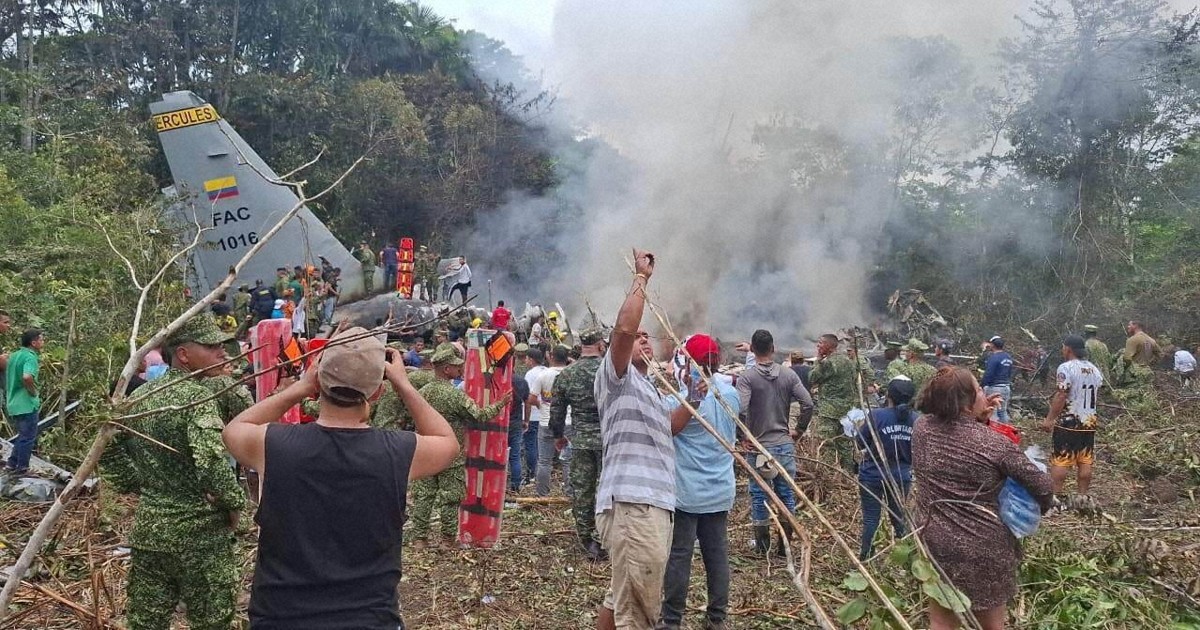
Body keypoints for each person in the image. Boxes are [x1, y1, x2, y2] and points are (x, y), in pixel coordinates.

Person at [223, 328, 458, 628]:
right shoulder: (398, 452)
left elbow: (233, 430)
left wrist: (299, 388)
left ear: (319, 381)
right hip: (369, 619)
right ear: (377, 391)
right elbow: (447, 441)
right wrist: (403, 384)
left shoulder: (274, 445)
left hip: (281, 617)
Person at [99, 314, 246, 630]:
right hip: (200, 538)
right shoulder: (196, 398)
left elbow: (106, 449)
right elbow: (212, 464)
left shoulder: (140, 396)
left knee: (146, 623)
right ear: (183, 354)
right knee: (212, 622)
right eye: (211, 346)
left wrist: (141, 485)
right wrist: (234, 505)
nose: (222, 352)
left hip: (150, 533)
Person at [911, 367, 1054, 630]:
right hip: (984, 547)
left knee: (941, 621)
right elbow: (1043, 486)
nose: (984, 394)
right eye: (978, 390)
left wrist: (979, 420)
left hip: (934, 539)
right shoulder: (994, 444)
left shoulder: (921, 428)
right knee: (990, 625)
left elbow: (958, 440)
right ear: (966, 403)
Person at [594, 249, 674, 630]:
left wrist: (696, 398)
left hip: (652, 503)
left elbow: (670, 428)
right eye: (638, 336)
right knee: (638, 609)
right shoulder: (616, 377)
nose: (643, 338)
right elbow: (624, 331)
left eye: (648, 336)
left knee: (621, 595)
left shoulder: (650, 388)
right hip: (633, 502)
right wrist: (641, 279)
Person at [661, 334, 736, 630]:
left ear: (688, 361)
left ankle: (671, 620)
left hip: (687, 493)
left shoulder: (681, 399)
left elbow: (669, 427)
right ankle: (717, 618)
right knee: (717, 555)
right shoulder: (730, 394)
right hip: (720, 489)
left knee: (679, 556)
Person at [409, 343, 510, 547]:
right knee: (450, 497)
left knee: (424, 496)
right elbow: (479, 415)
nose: (460, 369)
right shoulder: (454, 395)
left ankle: (420, 539)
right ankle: (447, 540)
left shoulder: (422, 393)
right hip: (450, 453)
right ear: (446, 369)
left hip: (425, 450)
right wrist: (501, 403)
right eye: (456, 366)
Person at [736, 328, 813, 554]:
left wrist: (742, 436)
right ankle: (785, 547)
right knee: (786, 493)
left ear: (752, 348)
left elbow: (740, 408)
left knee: (760, 494)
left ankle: (762, 548)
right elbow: (808, 404)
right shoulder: (788, 375)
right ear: (773, 348)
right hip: (784, 444)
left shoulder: (747, 377)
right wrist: (798, 430)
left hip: (759, 447)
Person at [549, 329, 606, 560]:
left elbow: (557, 410)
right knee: (606, 490)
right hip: (608, 441)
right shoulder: (609, 371)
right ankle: (603, 537)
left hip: (580, 440)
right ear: (601, 345)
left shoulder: (567, 374)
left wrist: (558, 435)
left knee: (582, 490)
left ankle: (586, 538)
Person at [855, 377, 917, 560]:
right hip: (901, 477)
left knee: (871, 518)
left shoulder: (876, 416)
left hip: (872, 475)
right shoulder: (917, 420)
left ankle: (866, 558)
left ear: (888, 395)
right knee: (899, 517)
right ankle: (909, 559)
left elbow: (860, 442)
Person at [1040, 335, 1104, 501]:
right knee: (1085, 459)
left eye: (1063, 347)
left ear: (1068, 349)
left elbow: (1062, 395)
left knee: (1061, 459)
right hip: (1089, 421)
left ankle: (1055, 498)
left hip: (1069, 421)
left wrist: (1050, 419)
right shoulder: (1094, 369)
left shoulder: (1066, 368)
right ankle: (1082, 497)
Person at [810, 333, 857, 469]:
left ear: (829, 346)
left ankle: (828, 474)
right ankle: (848, 474)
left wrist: (818, 360)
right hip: (846, 410)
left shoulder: (828, 363)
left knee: (826, 444)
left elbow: (812, 377)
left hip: (829, 411)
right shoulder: (848, 362)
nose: (818, 346)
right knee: (844, 445)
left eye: (820, 343)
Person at [5, 329, 44, 474]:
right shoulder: (30, 357)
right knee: (28, 438)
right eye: (41, 339)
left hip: (13, 403)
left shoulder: (14, 356)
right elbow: (27, 377)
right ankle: (22, 468)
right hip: (26, 403)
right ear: (33, 343)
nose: (43, 342)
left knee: (23, 436)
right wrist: (32, 391)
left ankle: (11, 464)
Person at [535, 345, 571, 497]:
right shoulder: (571, 374)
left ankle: (542, 494)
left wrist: (543, 406)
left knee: (544, 461)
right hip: (568, 422)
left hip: (546, 422)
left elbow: (531, 397)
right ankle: (570, 493)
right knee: (568, 461)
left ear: (551, 356)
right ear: (567, 358)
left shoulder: (543, 375)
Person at [520, 348, 546, 487]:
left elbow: (528, 397)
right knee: (542, 444)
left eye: (526, 358)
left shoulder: (530, 374)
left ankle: (532, 472)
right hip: (545, 414)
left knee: (530, 444)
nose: (525, 361)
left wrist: (526, 418)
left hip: (534, 415)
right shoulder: (547, 371)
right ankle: (542, 472)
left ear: (531, 359)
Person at [507, 361, 531, 492]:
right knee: (515, 455)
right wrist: (526, 420)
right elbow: (527, 403)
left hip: (497, 423)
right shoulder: (521, 381)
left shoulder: (495, 379)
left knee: (497, 455)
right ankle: (516, 485)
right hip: (515, 423)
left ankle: (497, 483)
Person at [980, 336, 1013, 423]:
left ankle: (992, 430)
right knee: (1002, 411)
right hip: (1006, 387)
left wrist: (982, 385)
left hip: (995, 388)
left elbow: (988, 374)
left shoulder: (994, 358)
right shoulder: (1008, 357)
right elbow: (1010, 372)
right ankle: (1005, 429)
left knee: (992, 412)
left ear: (993, 345)